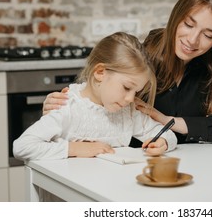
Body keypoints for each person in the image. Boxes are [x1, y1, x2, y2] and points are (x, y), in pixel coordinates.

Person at [42, 0, 212, 145]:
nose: (192, 40)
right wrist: (64, 110)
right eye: (188, 24)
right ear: (177, 16)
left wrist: (170, 122)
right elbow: (96, 105)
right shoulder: (144, 56)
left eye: (208, 35)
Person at [13, 32, 177, 162]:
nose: (130, 99)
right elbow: (22, 147)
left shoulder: (127, 112)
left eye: (136, 92)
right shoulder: (68, 106)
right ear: (100, 73)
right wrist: (75, 149)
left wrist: (163, 142)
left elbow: (166, 134)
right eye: (126, 87)